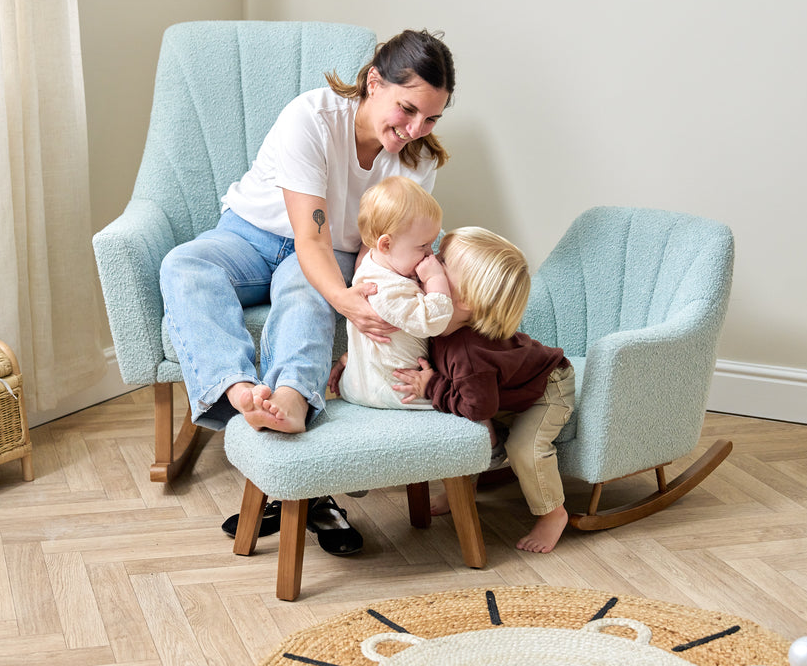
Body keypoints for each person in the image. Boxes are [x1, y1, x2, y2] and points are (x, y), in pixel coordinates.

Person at [158, 29, 456, 554]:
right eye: (407, 109)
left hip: (332, 253)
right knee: (185, 264)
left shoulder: (418, 160)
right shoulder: (312, 117)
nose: (415, 129)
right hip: (251, 234)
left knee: (304, 287)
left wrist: (379, 297)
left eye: (430, 118)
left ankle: (290, 400)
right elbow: (309, 233)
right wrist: (344, 300)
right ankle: (238, 389)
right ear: (373, 82)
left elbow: (388, 248)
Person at [391, 227, 576, 554]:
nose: (430, 260)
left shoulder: (469, 353)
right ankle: (463, 487)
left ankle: (552, 513)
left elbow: (476, 407)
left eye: (442, 261)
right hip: (498, 389)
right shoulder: (441, 318)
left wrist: (431, 385)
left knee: (523, 448)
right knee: (465, 424)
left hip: (547, 389)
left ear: (464, 299)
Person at [333, 176, 452, 410]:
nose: (431, 254)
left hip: (366, 382)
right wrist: (435, 279)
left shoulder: (375, 264)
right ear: (385, 245)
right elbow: (434, 321)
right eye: (423, 246)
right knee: (459, 400)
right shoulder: (385, 289)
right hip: (393, 389)